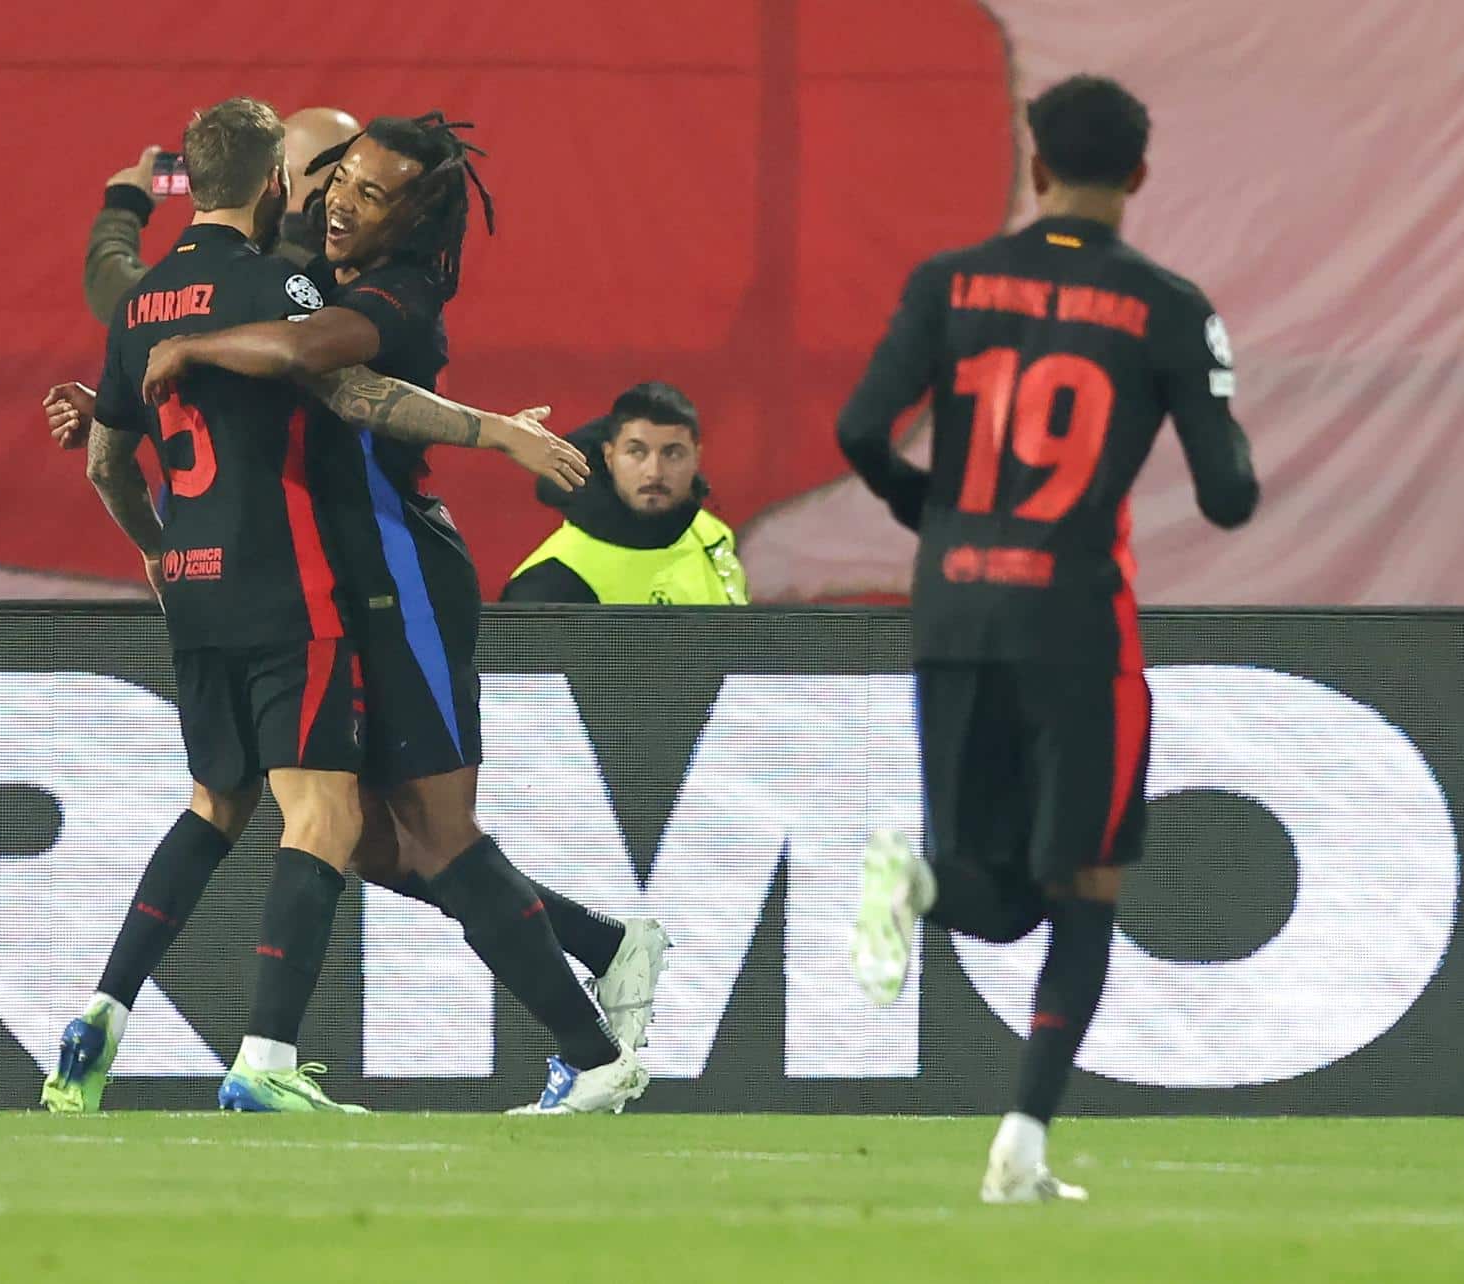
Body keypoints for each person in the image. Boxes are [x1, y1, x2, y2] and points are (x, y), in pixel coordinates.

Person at [42, 97, 581, 1117]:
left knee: (215, 805)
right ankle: (265, 1057)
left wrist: (157, 557)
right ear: (279, 184)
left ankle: (103, 1010)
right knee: (325, 812)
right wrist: (495, 433)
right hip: (287, 584)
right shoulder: (280, 286)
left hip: (192, 588)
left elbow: (109, 462)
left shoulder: (139, 302)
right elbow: (351, 392)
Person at [839, 75, 1259, 1202]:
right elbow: (1228, 498)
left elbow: (859, 427)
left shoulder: (947, 281)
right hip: (1075, 621)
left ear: (1033, 169)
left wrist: (931, 511)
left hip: (954, 606)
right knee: (1083, 883)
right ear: (1138, 177)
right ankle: (1021, 1144)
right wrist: (1219, 404)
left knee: (1000, 890)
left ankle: (919, 881)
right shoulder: (1168, 304)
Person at [84, 108, 361, 325]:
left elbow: (118, 290)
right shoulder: (376, 265)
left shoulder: (263, 269)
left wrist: (124, 205)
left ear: (277, 178)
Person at [501, 382, 749, 605]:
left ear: (696, 457)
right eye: (637, 452)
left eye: (672, 453)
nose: (654, 472)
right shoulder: (551, 584)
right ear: (609, 457)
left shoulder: (713, 536)